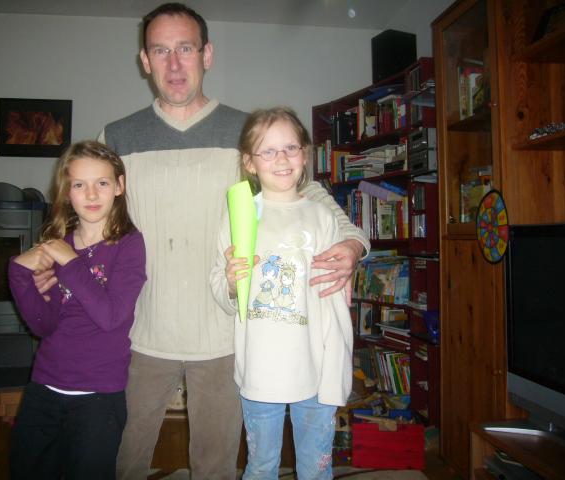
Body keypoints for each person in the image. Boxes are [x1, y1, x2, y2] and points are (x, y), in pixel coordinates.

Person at [64, 3, 369, 479]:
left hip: (227, 336)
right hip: (139, 334)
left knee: (216, 466)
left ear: (207, 54)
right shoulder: (117, 137)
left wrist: (353, 245)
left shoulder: (246, 134)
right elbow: (87, 216)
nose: (173, 64)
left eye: (185, 48)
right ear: (144, 60)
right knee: (123, 461)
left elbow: (310, 196)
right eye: (160, 51)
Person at [210, 107, 354, 480]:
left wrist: (336, 367)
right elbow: (220, 288)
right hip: (260, 370)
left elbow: (334, 296)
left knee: (317, 467)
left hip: (316, 369)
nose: (282, 158)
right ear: (250, 162)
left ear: (304, 155)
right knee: (260, 466)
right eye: (269, 150)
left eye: (290, 148)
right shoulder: (239, 215)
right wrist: (230, 281)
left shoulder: (322, 217)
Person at [8, 140, 146, 479]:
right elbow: (43, 325)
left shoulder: (129, 244)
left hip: (98, 396)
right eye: (79, 185)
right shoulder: (59, 243)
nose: (92, 194)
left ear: (119, 186)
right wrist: (19, 275)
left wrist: (70, 263)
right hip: (44, 387)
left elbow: (111, 317)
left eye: (102, 182)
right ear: (66, 192)